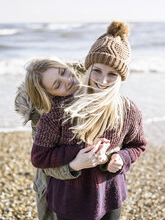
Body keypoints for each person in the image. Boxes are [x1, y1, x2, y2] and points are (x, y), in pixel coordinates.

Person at [31, 21, 147, 220]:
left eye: (112, 74)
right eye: (97, 71)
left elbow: (137, 145)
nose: (102, 80)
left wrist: (121, 158)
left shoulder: (128, 110)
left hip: (110, 196)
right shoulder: (60, 108)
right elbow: (39, 157)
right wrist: (78, 155)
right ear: (89, 67)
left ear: (121, 77)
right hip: (68, 199)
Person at [15, 58, 111, 220]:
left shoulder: (93, 82)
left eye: (63, 72)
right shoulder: (44, 116)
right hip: (55, 184)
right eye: (57, 85)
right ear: (49, 94)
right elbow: (43, 161)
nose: (67, 81)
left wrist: (111, 155)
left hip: (96, 183)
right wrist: (74, 165)